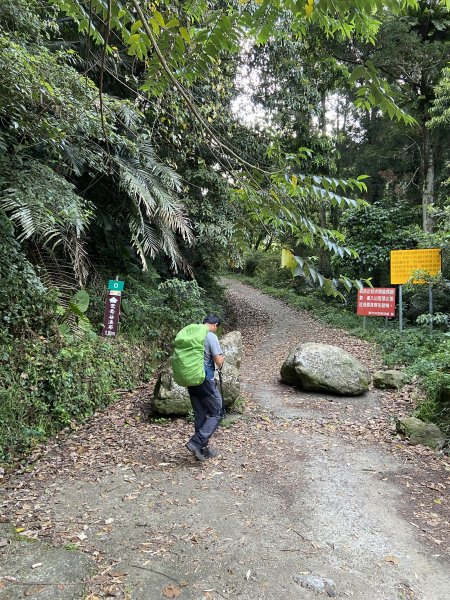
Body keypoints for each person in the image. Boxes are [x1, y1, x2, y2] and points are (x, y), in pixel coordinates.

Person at [185, 314, 224, 461]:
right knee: (217, 412)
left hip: (191, 379)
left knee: (200, 414)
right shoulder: (210, 336)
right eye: (216, 327)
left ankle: (202, 449)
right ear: (214, 325)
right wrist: (222, 358)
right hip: (205, 380)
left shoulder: (193, 333)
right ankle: (195, 442)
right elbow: (219, 360)